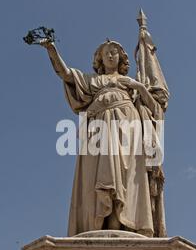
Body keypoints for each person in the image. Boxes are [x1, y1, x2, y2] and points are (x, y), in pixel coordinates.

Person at [40, 38, 164, 237]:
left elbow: (156, 109)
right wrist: (51, 50)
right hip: (98, 128)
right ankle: (101, 223)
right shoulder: (91, 81)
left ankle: (123, 223)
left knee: (126, 177)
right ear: (99, 58)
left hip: (127, 126)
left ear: (122, 58)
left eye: (115, 52)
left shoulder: (130, 84)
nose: (110, 55)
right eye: (106, 52)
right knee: (98, 176)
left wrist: (139, 87)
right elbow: (66, 74)